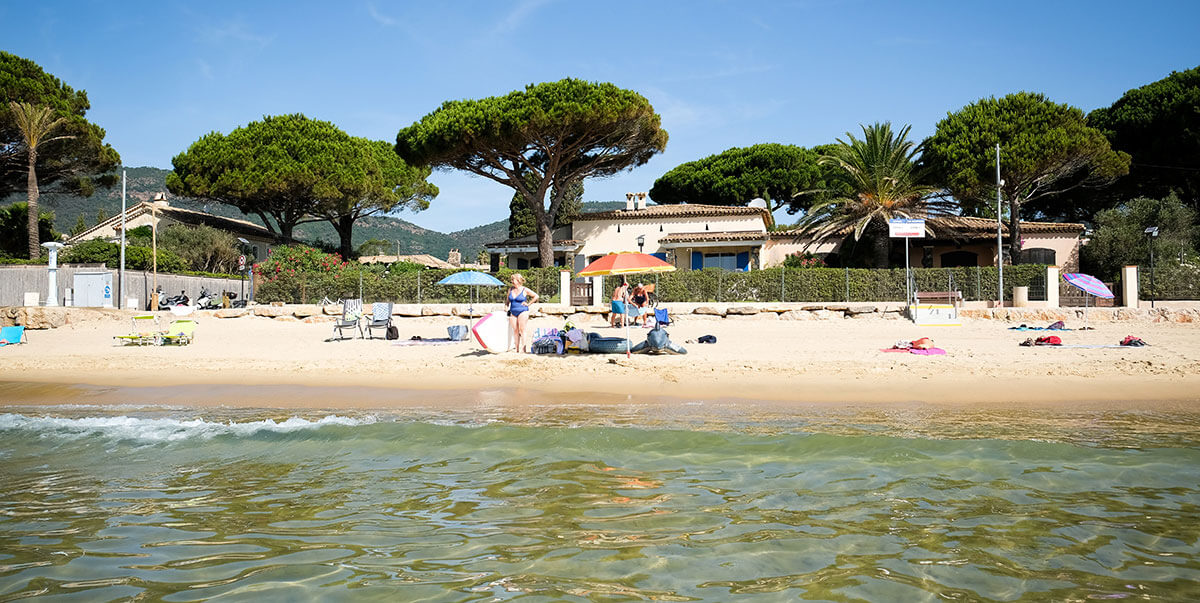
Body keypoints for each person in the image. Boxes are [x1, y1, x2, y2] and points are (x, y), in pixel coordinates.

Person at [505, 273, 539, 352]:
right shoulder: (510, 290)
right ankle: (517, 349)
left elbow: (536, 296)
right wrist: (506, 307)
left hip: (523, 311)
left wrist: (528, 304)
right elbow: (507, 301)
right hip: (513, 311)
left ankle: (524, 349)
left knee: (522, 330)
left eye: (513, 279)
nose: (512, 281)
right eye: (512, 280)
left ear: (518, 280)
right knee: (515, 330)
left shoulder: (525, 289)